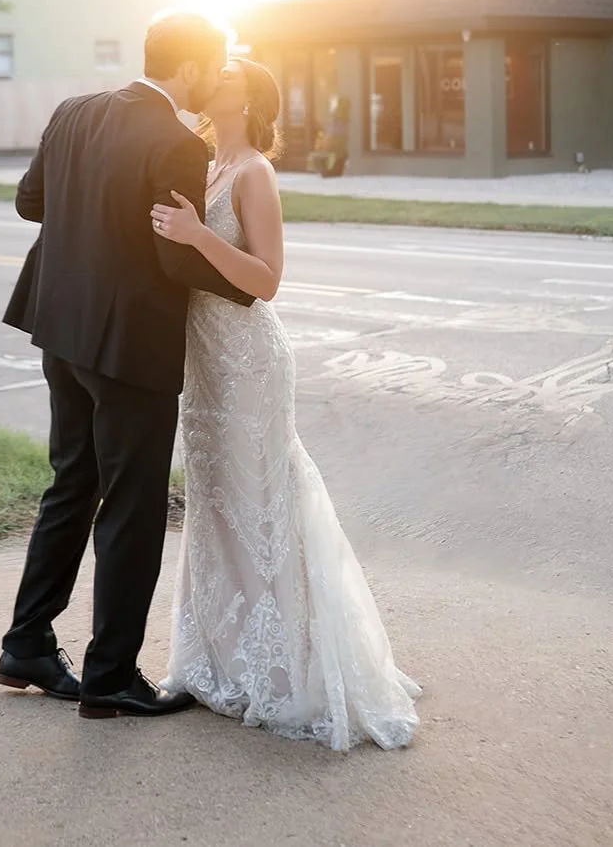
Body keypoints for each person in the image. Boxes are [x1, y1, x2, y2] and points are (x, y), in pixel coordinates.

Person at [151, 58, 420, 750]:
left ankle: (282, 668)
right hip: (204, 362)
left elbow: (267, 280)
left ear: (252, 97)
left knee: (263, 506)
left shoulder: (253, 174)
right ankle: (217, 660)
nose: (215, 77)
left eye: (230, 73)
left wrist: (197, 236)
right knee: (215, 505)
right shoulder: (206, 163)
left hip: (249, 363)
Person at [0, 13, 254, 720]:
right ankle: (109, 676)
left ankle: (26, 645)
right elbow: (175, 257)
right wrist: (253, 288)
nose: (219, 77)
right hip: (129, 346)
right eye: (218, 63)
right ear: (193, 67)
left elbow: (29, 203)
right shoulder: (175, 142)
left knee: (71, 484)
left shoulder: (73, 112)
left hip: (60, 331)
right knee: (133, 507)